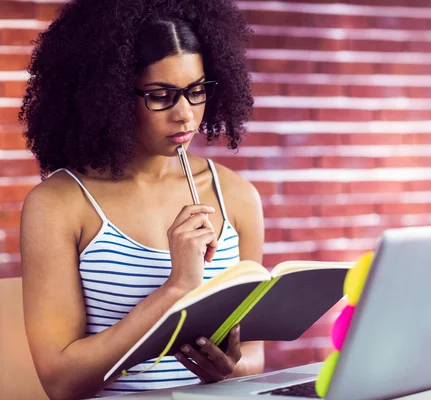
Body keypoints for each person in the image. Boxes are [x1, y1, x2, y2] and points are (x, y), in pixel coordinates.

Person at [18, 0, 264, 398]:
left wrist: (231, 368)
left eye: (196, 90)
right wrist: (175, 289)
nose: (185, 115)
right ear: (109, 94)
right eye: (161, 95)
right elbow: (61, 382)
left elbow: (254, 358)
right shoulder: (59, 204)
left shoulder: (236, 195)